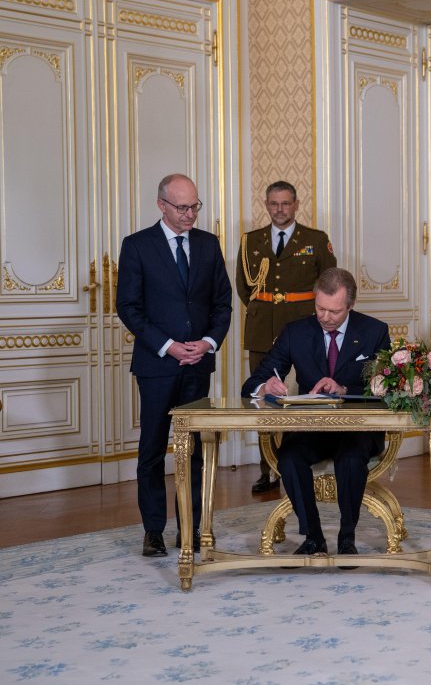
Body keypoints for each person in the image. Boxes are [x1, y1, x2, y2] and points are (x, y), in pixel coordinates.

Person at [116, 173, 233, 557]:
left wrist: (208, 343)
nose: (189, 215)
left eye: (195, 206)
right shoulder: (137, 246)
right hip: (156, 366)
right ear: (161, 205)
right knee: (152, 449)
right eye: (182, 207)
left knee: (196, 450)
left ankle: (193, 527)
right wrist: (168, 346)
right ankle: (153, 531)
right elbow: (128, 307)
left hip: (198, 365)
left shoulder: (208, 244)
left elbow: (222, 304)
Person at [241, 267, 390, 558]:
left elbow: (387, 391)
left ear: (350, 305)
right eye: (319, 308)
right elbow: (252, 382)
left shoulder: (374, 332)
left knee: (349, 459)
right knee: (289, 457)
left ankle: (347, 538)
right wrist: (265, 385)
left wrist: (344, 387)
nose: (325, 317)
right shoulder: (295, 332)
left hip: (358, 428)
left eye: (334, 312)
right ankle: (313, 537)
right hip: (312, 427)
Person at [236, 180, 337, 496]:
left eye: (285, 203)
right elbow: (244, 287)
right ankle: (268, 470)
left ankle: (307, 462)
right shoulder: (251, 241)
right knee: (264, 399)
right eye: (274, 204)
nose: (279, 209)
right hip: (263, 329)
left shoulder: (316, 240)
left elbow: (330, 283)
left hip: (306, 328)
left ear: (296, 204)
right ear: (266, 205)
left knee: (307, 398)